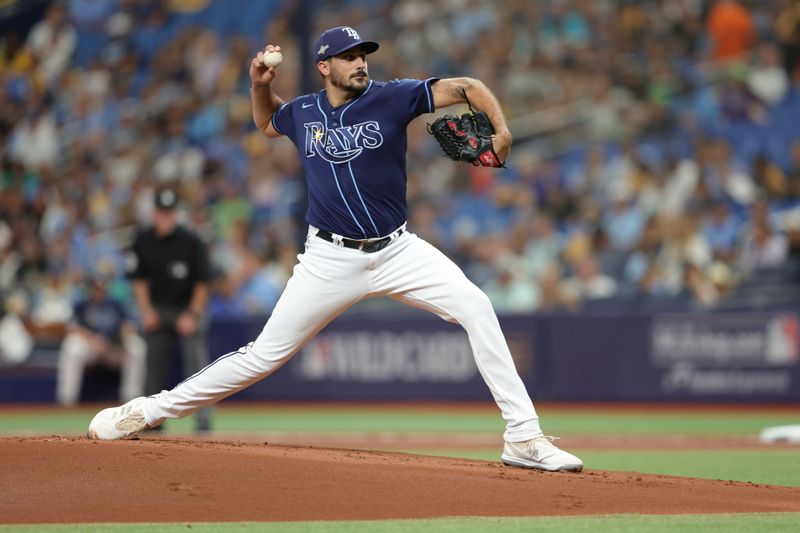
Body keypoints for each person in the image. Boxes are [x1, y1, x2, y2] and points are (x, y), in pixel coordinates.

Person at [89, 26, 582, 472]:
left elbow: (465, 87)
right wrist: (260, 85)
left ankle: (523, 437)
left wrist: (500, 127)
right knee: (261, 356)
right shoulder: (304, 111)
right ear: (325, 67)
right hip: (328, 258)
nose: (361, 62)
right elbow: (266, 124)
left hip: (398, 250)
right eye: (348, 57)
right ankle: (145, 411)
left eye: (363, 54)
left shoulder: (393, 97)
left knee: (477, 306)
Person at [127, 185, 213, 432]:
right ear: (154, 213)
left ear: (176, 213)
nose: (166, 218)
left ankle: (203, 423)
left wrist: (193, 314)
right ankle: (149, 424)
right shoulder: (143, 241)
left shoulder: (191, 242)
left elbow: (203, 282)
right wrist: (146, 311)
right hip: (158, 309)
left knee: (196, 368)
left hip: (187, 308)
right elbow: (138, 280)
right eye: (162, 212)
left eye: (170, 213)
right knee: (153, 367)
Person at [56, 277, 144, 406]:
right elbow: (72, 328)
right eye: (96, 288)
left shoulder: (115, 305)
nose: (99, 291)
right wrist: (93, 340)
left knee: (137, 347)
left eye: (102, 288)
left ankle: (132, 399)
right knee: (72, 346)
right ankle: (67, 400)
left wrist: (121, 338)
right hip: (91, 349)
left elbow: (129, 325)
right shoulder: (82, 305)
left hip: (113, 349)